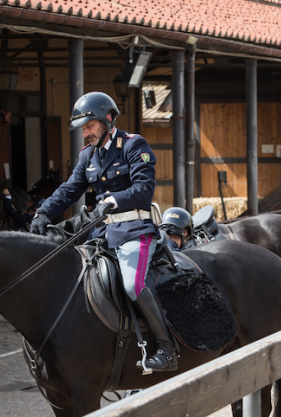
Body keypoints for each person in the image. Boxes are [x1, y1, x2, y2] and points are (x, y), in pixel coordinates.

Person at [30, 92, 177, 373]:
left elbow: (144, 187)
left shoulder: (133, 145)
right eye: (83, 128)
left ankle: (166, 348)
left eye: (89, 126)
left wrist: (111, 201)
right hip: (101, 234)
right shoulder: (88, 156)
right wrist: (43, 212)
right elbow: (69, 189)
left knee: (133, 285)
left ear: (108, 120)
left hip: (134, 229)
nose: (85, 133)